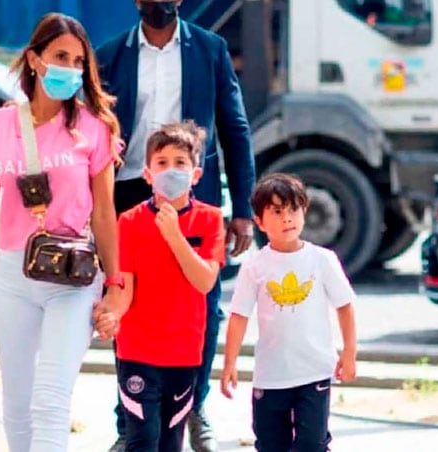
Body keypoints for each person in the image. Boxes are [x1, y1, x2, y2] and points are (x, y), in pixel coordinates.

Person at [0, 12, 123, 452]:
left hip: (71, 279)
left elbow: (104, 213)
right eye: (60, 57)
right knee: (16, 402)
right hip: (13, 277)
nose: (70, 69)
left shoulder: (93, 129)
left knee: (51, 400)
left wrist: (114, 285)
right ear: (34, 59)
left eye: (78, 61)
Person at [96, 1, 256, 450]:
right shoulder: (111, 54)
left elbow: (234, 127)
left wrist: (241, 206)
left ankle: (194, 406)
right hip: (127, 191)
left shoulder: (210, 49)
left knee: (203, 306)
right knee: (125, 300)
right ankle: (129, 419)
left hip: (194, 195)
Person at [94, 121, 226, 452]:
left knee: (170, 441)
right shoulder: (130, 221)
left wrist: (175, 237)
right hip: (137, 349)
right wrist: (112, 314)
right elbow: (125, 285)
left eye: (180, 163)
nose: (171, 170)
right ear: (148, 174)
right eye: (162, 163)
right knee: (141, 438)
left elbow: (205, 281)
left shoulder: (210, 219)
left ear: (196, 173)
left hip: (183, 351)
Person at [220, 173, 357, 452]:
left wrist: (349, 352)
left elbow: (345, 305)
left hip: (314, 370)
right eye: (277, 211)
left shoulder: (322, 260)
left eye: (293, 209)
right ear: (259, 221)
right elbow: (239, 316)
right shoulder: (255, 266)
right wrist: (230, 363)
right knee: (271, 443)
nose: (287, 219)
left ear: (304, 211)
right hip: (271, 374)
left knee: (311, 443)